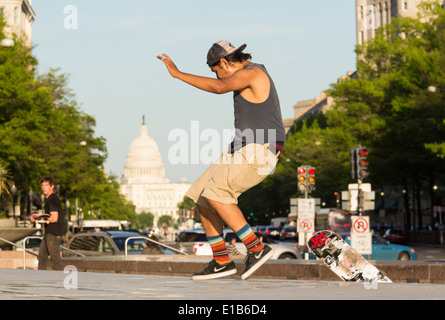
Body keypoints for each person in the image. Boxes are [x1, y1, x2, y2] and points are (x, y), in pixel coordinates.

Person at [157, 40, 286, 280]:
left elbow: (219, 87)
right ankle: (221, 260)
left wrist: (177, 74)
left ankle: (256, 248)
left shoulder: (252, 72)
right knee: (201, 195)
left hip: (260, 148)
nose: (218, 76)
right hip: (241, 148)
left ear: (225, 62)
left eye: (217, 70)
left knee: (217, 192)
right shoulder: (246, 73)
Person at [31, 176, 64, 271]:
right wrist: (38, 217)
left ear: (52, 186)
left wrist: (40, 219)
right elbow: (48, 216)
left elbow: (54, 218)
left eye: (46, 185)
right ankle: (42, 279)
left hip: (53, 234)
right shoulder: (49, 199)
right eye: (42, 185)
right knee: (41, 257)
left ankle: (61, 281)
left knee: (55, 259)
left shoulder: (53, 199)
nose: (44, 187)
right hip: (49, 233)